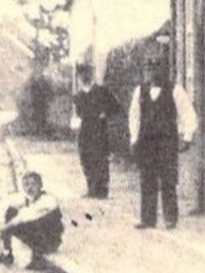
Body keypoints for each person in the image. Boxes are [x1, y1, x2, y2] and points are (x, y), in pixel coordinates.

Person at [128, 52, 196, 230]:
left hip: (167, 141)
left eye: (156, 67)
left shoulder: (175, 90)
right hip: (146, 141)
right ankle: (148, 218)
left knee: (168, 180)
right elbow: (134, 117)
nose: (151, 71)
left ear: (164, 69)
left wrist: (187, 136)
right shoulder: (140, 91)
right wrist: (134, 138)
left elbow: (187, 113)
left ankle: (170, 218)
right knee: (147, 179)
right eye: (148, 68)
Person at [0, 171, 64, 269]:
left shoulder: (48, 200)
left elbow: (27, 215)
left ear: (40, 185)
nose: (30, 188)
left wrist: (5, 228)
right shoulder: (29, 199)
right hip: (38, 236)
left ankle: (38, 258)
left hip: (50, 240)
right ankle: (7, 253)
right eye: (26, 185)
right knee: (11, 211)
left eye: (33, 184)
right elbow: (7, 204)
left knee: (27, 222)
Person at [74, 62, 119, 199]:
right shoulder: (78, 96)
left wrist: (105, 113)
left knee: (100, 159)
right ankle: (91, 188)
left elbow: (116, 106)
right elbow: (78, 114)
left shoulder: (101, 91)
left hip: (99, 129)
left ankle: (101, 189)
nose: (84, 77)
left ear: (91, 75)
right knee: (86, 158)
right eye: (81, 75)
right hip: (85, 130)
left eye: (86, 74)